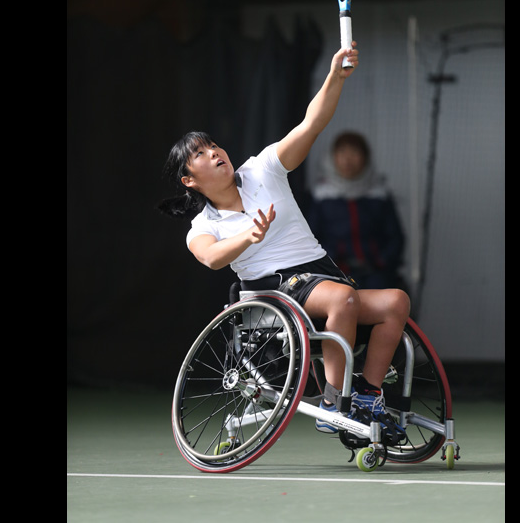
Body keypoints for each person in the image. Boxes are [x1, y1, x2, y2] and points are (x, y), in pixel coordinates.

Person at [158, 43, 410, 439]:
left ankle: (366, 396)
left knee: (396, 301)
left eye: (213, 146)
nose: (214, 153)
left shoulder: (263, 169)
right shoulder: (202, 226)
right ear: (189, 180)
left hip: (321, 273)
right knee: (341, 298)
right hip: (276, 292)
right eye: (201, 155)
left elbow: (310, 124)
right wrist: (249, 236)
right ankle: (333, 402)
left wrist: (335, 78)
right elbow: (211, 259)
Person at [307, 131, 407, 292]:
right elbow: (311, 238)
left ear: (365, 158)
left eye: (354, 152)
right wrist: (330, 262)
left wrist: (380, 261)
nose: (348, 159)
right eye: (342, 152)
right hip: (333, 276)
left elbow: (395, 238)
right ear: (333, 158)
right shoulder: (321, 196)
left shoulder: (379, 194)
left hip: (376, 275)